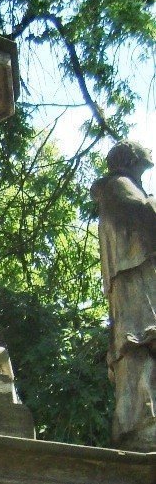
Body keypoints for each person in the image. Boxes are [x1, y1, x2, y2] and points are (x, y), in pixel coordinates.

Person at [91, 141, 156, 449]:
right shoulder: (118, 186)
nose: (151, 154)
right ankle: (141, 421)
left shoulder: (123, 186)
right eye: (145, 151)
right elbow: (144, 216)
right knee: (140, 340)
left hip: (139, 274)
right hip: (135, 277)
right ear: (131, 156)